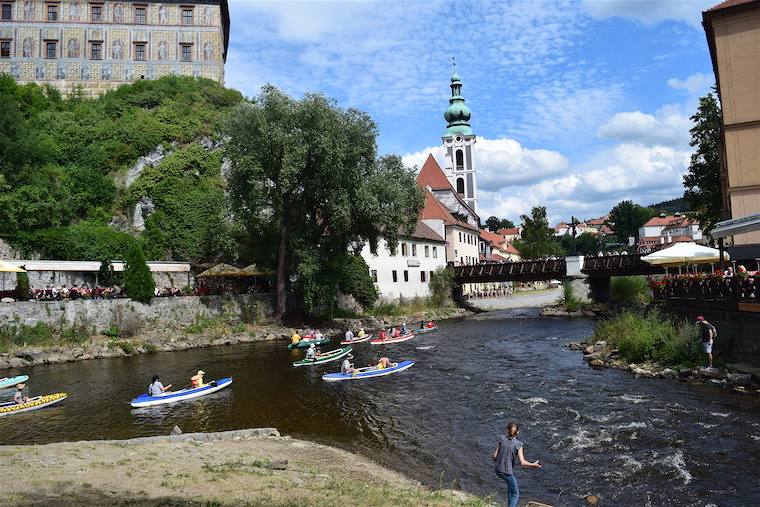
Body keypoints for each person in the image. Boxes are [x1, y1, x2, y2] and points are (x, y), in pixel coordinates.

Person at [491, 422, 541, 507]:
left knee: (510, 489)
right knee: (515, 494)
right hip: (507, 473)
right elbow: (523, 462)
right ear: (518, 432)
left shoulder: (502, 439)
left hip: (498, 470)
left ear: (507, 430)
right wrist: (534, 464)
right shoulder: (518, 444)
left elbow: (494, 456)